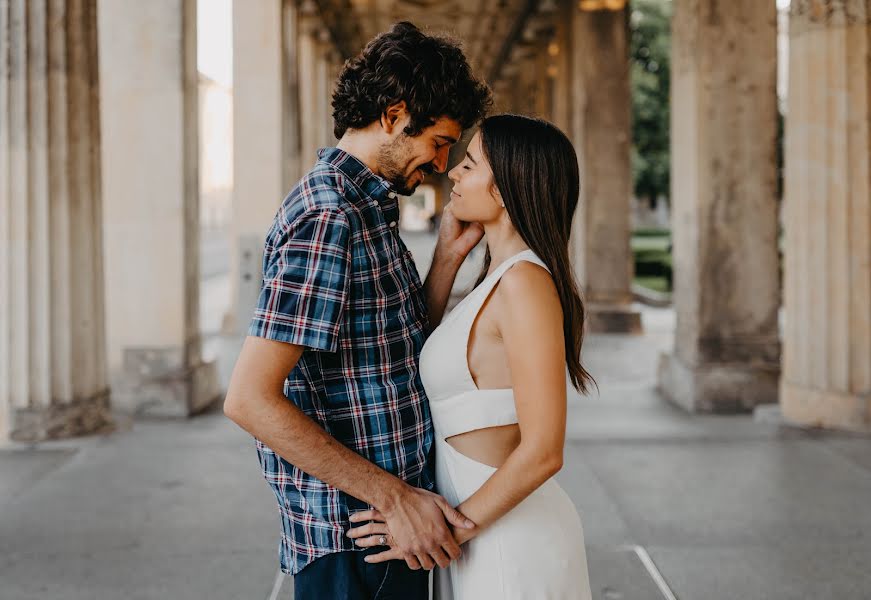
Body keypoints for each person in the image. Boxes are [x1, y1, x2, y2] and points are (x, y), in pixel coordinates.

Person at [222, 22, 491, 600]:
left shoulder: (367, 206)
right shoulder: (328, 215)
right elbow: (250, 398)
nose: (443, 164)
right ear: (395, 115)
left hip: (389, 531)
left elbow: (392, 350)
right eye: (440, 141)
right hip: (359, 539)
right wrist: (394, 497)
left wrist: (444, 259)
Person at [347, 114, 596, 599]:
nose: (453, 172)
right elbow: (425, 357)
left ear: (504, 189)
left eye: (470, 163)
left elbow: (544, 452)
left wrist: (443, 533)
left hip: (505, 542)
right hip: (479, 531)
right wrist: (447, 257)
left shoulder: (525, 283)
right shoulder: (498, 278)